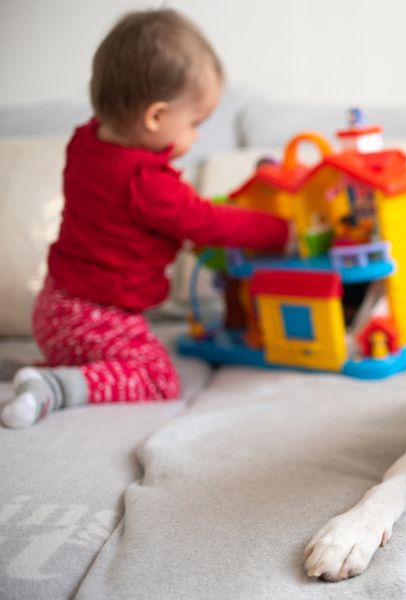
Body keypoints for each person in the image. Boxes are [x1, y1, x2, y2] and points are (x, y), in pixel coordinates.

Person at [1, 9, 289, 428]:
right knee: (157, 377)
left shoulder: (84, 142)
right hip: (94, 316)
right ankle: (54, 389)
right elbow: (208, 222)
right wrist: (281, 230)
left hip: (53, 308)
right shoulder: (146, 182)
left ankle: (44, 366)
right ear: (154, 117)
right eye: (195, 123)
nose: (196, 137)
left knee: (107, 351)